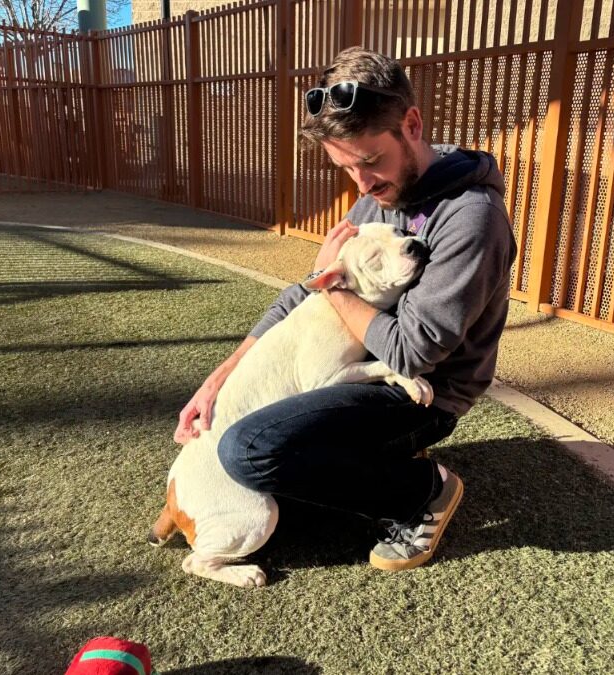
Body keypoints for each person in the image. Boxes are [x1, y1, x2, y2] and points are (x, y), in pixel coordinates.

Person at [174, 47, 516, 571]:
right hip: (359, 370)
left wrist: (333, 287)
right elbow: (301, 294)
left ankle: (422, 491)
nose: (362, 184)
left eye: (372, 160)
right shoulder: (379, 195)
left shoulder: (470, 218)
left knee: (249, 450)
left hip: (423, 392)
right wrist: (220, 376)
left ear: (412, 124)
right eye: (346, 167)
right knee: (235, 428)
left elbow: (413, 351)